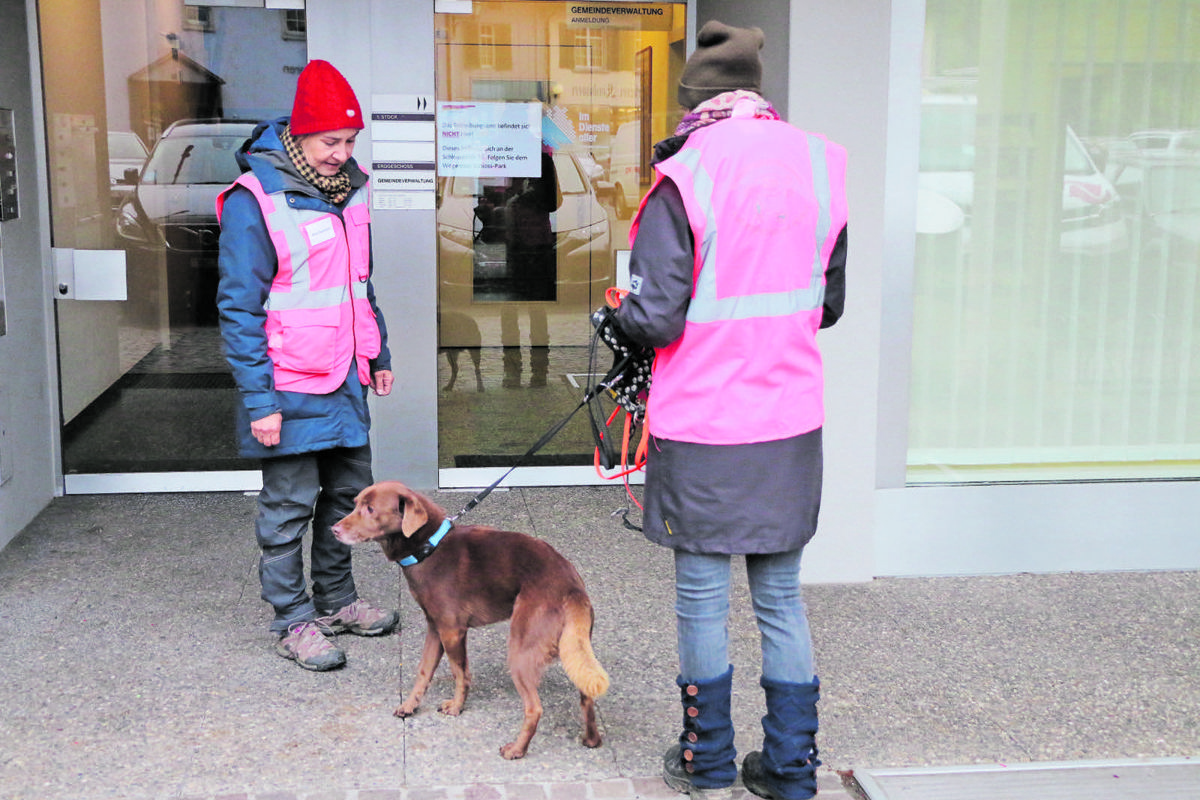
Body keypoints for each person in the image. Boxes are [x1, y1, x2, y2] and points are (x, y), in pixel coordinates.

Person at [612, 21, 848, 800]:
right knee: (780, 598)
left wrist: (621, 314)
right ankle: (790, 770)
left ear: (695, 102)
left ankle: (707, 760)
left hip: (706, 426)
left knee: (702, 600)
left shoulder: (686, 175)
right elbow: (829, 304)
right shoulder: (820, 163)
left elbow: (656, 319)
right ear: (757, 94)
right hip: (788, 424)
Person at [216, 59, 399, 671]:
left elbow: (357, 284)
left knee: (347, 499)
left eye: (350, 142)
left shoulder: (351, 190)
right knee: (289, 507)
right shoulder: (256, 200)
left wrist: (377, 353)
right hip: (289, 383)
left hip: (344, 377)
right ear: (299, 134)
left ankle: (337, 601)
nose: (341, 154)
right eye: (330, 141)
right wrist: (260, 402)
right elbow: (239, 310)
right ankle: (294, 621)